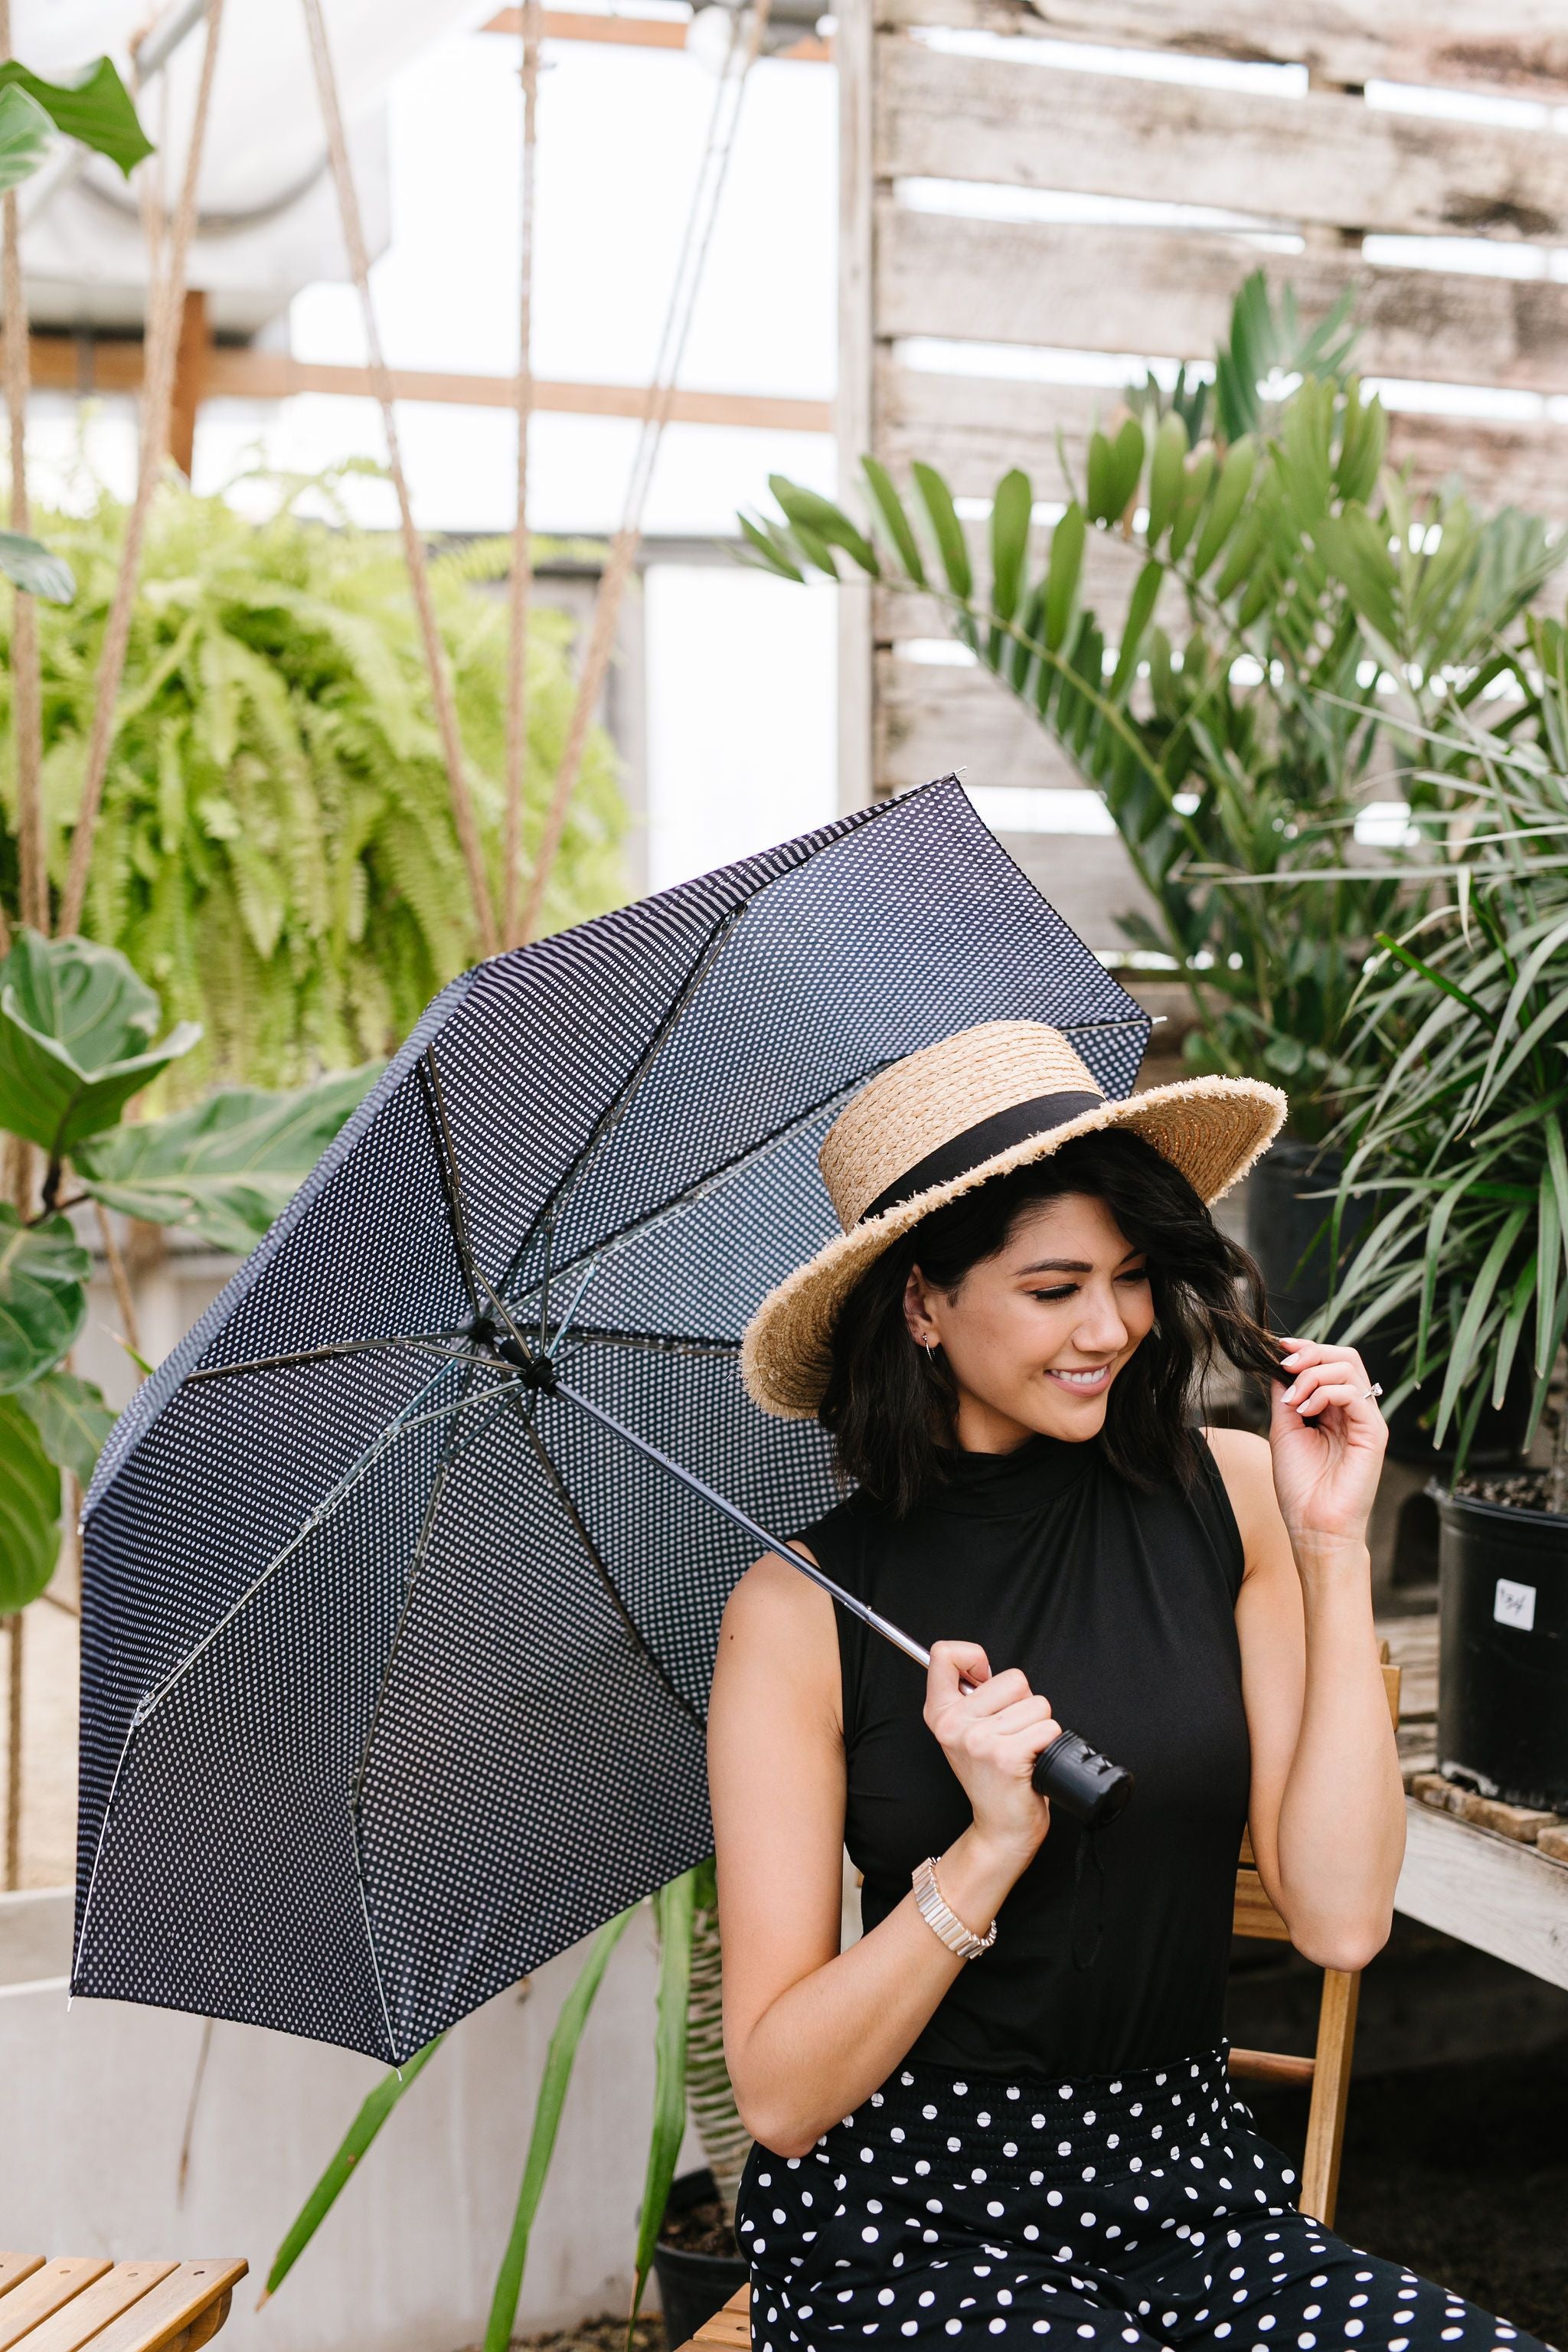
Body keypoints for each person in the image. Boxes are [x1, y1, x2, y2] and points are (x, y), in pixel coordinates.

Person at [707, 1019, 1553, 2352]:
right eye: (1053, 1289)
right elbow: (782, 2097)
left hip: (1192, 2198)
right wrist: (983, 1853)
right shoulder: (800, 1612)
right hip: (910, 2222)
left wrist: (1330, 1548)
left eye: (1133, 1275)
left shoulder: (1231, 1497)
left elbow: (1339, 1920)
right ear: (923, 1303)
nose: (1112, 1327)